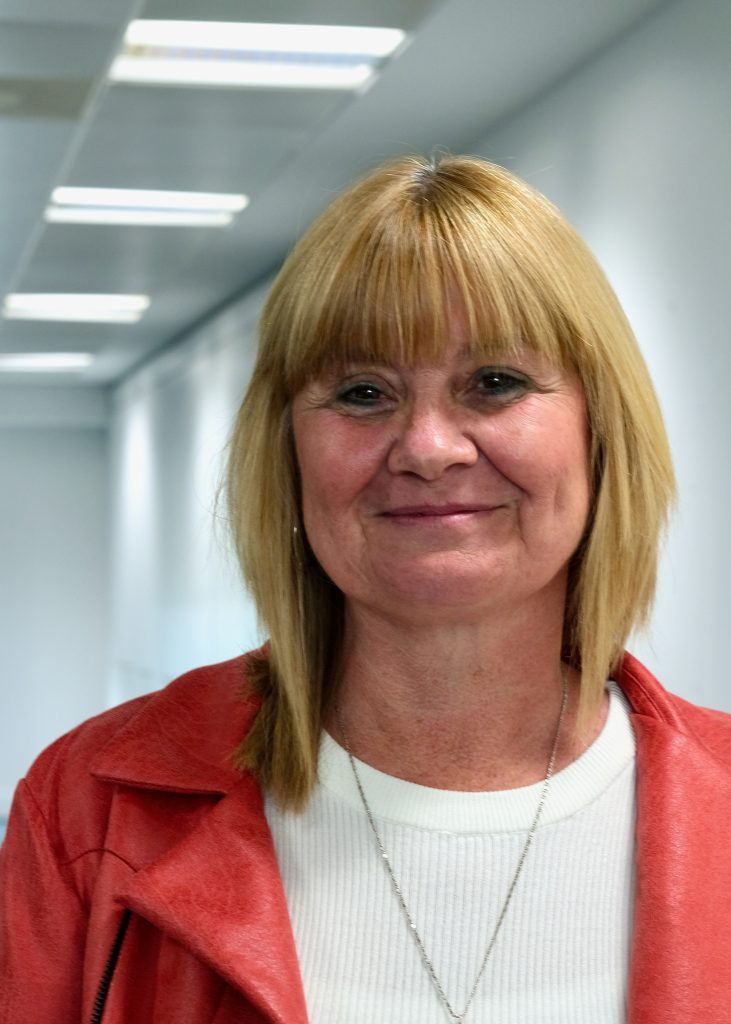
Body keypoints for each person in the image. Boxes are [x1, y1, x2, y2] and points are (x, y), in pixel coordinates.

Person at [1, 154, 729, 1024]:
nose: (428, 448)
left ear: (599, 430)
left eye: (494, 383)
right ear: (287, 452)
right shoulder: (89, 809)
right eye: (362, 392)